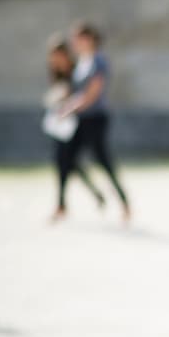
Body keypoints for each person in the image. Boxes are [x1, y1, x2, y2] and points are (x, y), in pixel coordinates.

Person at [59, 22, 131, 223]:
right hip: (80, 118)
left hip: (95, 118)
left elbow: (92, 93)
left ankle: (124, 203)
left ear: (89, 39)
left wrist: (70, 108)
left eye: (78, 39)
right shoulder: (83, 61)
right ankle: (62, 205)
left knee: (103, 161)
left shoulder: (98, 61)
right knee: (66, 159)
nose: (74, 43)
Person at [42, 35, 106, 221]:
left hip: (75, 122)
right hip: (61, 122)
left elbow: (81, 93)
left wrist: (67, 99)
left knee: (69, 162)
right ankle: (67, 203)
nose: (55, 59)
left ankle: (65, 204)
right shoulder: (55, 71)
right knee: (65, 163)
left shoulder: (75, 70)